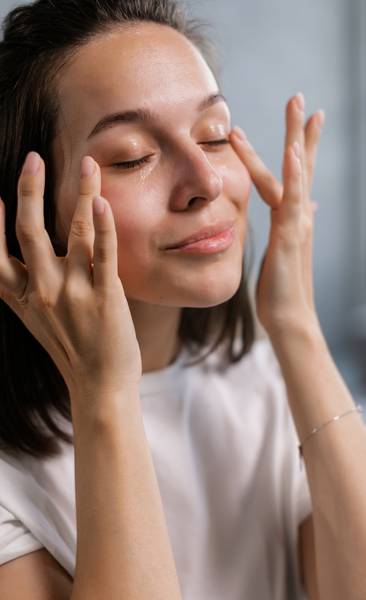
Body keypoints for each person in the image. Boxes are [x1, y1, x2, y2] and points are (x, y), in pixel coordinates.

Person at [0, 0, 366, 598]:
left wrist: (294, 324)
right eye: (133, 157)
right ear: (31, 220)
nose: (206, 181)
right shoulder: (11, 476)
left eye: (214, 135)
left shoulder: (264, 389)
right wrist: (107, 394)